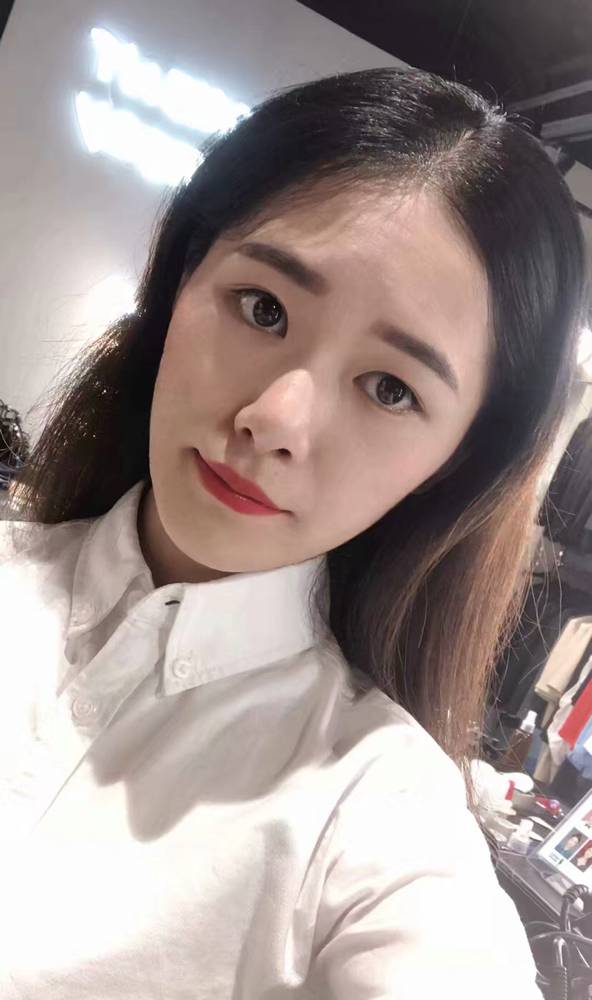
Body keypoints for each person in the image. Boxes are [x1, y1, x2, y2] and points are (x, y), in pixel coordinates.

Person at [0, 67, 587, 999]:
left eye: (390, 388)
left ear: (454, 464)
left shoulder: (379, 811)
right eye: (264, 308)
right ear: (181, 277)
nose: (275, 419)